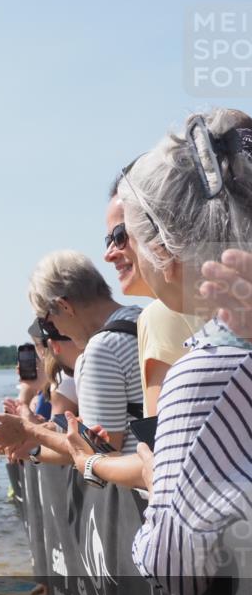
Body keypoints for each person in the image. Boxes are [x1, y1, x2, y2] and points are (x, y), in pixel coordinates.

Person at [116, 108, 252, 595]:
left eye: (128, 238)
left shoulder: (206, 372)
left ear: (165, 253)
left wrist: (154, 477)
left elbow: (176, 566)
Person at [0, 252, 144, 464]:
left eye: (46, 323)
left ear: (65, 306)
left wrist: (29, 435)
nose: (52, 331)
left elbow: (101, 452)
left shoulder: (102, 349)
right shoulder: (143, 318)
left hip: (138, 493)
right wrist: (47, 431)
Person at [103, 176, 204, 416]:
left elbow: (161, 445)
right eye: (108, 241)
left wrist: (89, 455)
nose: (109, 254)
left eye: (119, 236)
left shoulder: (161, 315)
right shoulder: (225, 299)